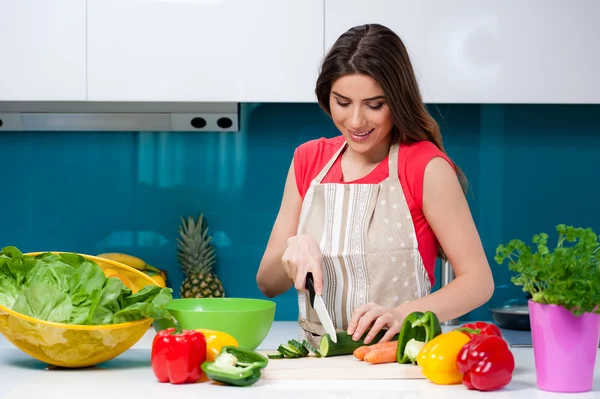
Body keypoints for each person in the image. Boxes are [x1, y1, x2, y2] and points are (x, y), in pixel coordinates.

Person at [256, 23, 494, 346]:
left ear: (397, 100)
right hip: (317, 369)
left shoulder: (425, 167)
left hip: (401, 366)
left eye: (374, 105)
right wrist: (292, 248)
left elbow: (479, 281)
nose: (355, 122)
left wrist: (403, 315)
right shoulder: (307, 161)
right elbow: (267, 284)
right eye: (343, 102)